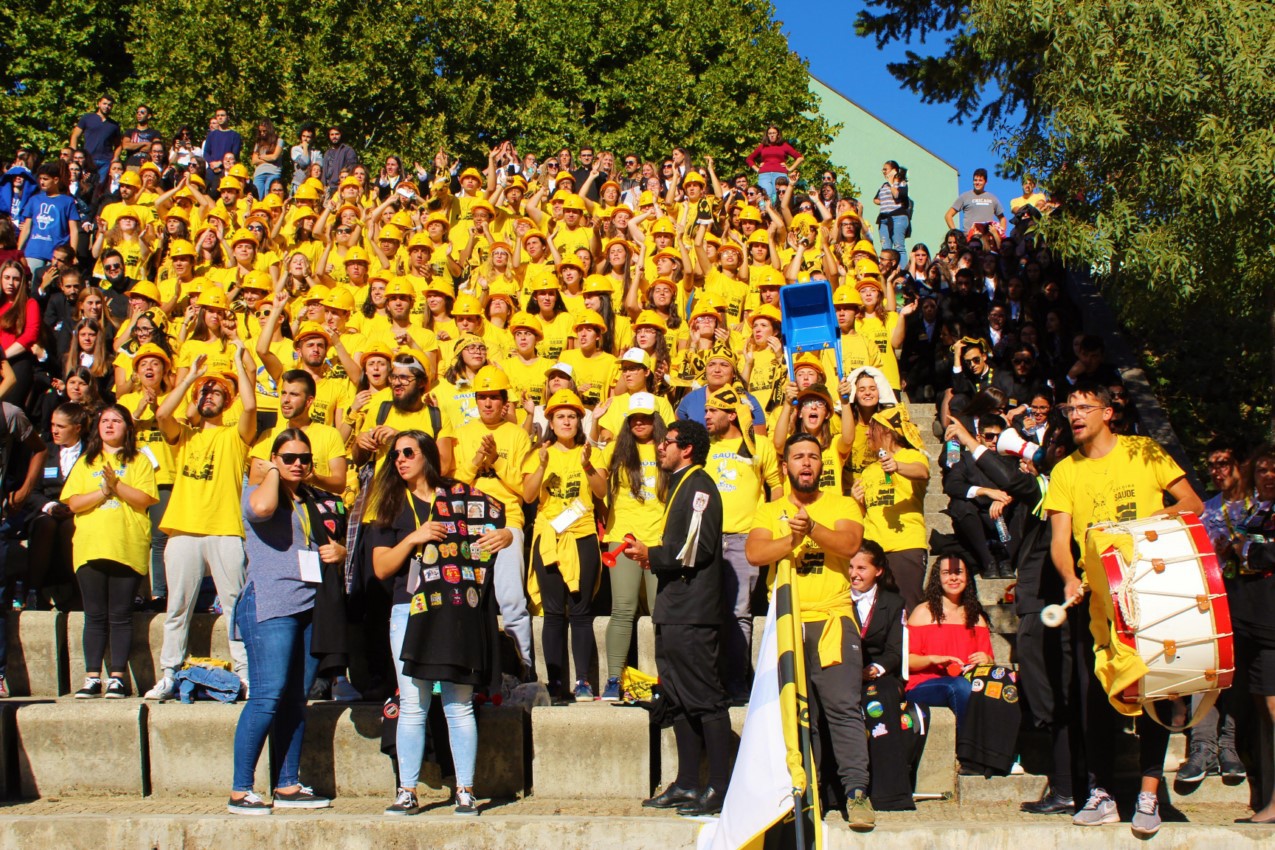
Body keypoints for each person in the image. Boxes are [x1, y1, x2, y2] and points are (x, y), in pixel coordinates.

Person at [1044, 380, 1203, 837]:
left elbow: (1190, 503)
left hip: (1152, 594)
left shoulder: (1144, 452)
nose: (1073, 415)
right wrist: (1071, 578)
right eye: (1068, 408)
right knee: (1097, 697)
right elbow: (1060, 540)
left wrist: (1148, 528)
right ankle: (1101, 794)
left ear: (1108, 412)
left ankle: (1150, 795)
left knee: (1156, 692)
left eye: (1082, 407)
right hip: (1096, 601)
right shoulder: (1064, 472)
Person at [367, 430, 513, 817]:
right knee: (412, 705)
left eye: (408, 452)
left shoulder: (458, 494)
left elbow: (501, 519)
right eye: (395, 454)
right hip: (407, 610)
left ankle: (465, 790)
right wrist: (414, 537)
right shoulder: (390, 503)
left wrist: (507, 535)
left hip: (454, 610)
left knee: (458, 704)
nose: (400, 459)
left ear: (427, 455)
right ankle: (407, 790)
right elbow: (381, 567)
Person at [746, 432, 875, 829]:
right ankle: (808, 796)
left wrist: (812, 527)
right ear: (785, 466)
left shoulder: (842, 504)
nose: (806, 463)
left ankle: (857, 794)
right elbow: (755, 553)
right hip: (787, 625)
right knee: (800, 714)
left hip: (834, 621)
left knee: (842, 709)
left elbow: (850, 543)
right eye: (798, 457)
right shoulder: (769, 510)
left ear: (822, 465)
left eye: (813, 457)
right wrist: (794, 537)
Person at [228, 429, 347, 815]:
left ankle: (287, 784)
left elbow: (328, 537)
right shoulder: (259, 491)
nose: (298, 463)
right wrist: (271, 472)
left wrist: (339, 551)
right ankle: (240, 789)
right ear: (274, 458)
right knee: (267, 694)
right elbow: (261, 511)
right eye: (288, 457)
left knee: (296, 698)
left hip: (309, 605)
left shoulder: (313, 499)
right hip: (270, 603)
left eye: (304, 458)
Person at [146, 348, 258, 699]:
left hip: (224, 529)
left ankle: (246, 674)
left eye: (218, 392)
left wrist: (238, 367)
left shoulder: (234, 436)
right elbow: (163, 412)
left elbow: (252, 407)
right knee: (177, 607)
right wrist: (191, 379)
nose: (210, 396)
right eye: (204, 394)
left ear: (228, 401)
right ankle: (169, 673)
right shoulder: (185, 435)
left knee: (235, 607)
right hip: (183, 529)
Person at [632, 419, 731, 817]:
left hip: (693, 611)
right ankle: (689, 783)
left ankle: (720, 788)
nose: (660, 448)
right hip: (675, 609)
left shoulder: (700, 485)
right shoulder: (681, 484)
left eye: (667, 442)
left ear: (687, 448)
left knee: (705, 698)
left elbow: (697, 548)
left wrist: (650, 555)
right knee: (678, 697)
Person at [63, 405, 158, 698]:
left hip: (126, 545)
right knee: (94, 615)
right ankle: (92, 677)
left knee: (120, 615)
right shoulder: (87, 462)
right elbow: (74, 503)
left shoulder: (139, 460)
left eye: (116, 420)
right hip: (91, 546)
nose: (109, 424)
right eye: (105, 420)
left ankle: (117, 677)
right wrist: (104, 492)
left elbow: (144, 499)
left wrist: (116, 486)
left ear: (127, 428)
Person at [450, 365, 535, 676]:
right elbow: (454, 487)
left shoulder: (517, 436)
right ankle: (470, 668)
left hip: (507, 522)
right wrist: (477, 461)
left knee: (512, 600)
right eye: (482, 397)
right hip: (468, 523)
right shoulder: (462, 434)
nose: (487, 403)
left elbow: (525, 492)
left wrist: (496, 460)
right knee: (467, 601)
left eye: (494, 397)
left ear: (504, 402)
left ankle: (525, 665)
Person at [523, 390, 602, 702]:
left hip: (582, 536)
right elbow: (529, 497)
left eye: (572, 416)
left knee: (581, 612)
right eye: (560, 416)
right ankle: (556, 683)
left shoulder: (590, 451)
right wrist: (541, 466)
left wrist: (587, 467)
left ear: (579, 421)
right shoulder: (538, 454)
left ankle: (583, 681)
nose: (566, 421)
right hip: (549, 539)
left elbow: (601, 490)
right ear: (551, 422)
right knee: (554, 613)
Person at [704, 385, 780, 703]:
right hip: (708, 540)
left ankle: (735, 683)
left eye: (713, 411)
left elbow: (775, 488)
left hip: (744, 538)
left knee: (739, 613)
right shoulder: (702, 447)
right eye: (705, 411)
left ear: (731, 414)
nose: (706, 416)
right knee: (708, 611)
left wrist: (770, 527)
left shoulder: (759, 445)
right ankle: (710, 682)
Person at [1229, 444, 1275, 823]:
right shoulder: (1250, 511)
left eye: (1274, 470)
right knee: (1255, 712)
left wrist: (1249, 552)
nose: (1269, 475)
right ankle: (1262, 794)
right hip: (1248, 620)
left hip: (1272, 625)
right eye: (1262, 470)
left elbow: (1263, 556)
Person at [850, 540, 913, 811]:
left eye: (862, 567)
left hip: (879, 672)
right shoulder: (837, 599)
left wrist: (875, 669)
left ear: (877, 571)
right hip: (844, 670)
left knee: (883, 697)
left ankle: (890, 792)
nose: (854, 573)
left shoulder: (893, 602)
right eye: (850, 567)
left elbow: (895, 649)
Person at [905, 540, 993, 729]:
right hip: (925, 684)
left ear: (967, 577)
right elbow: (907, 661)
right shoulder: (922, 613)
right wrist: (933, 659)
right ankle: (968, 749)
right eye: (947, 573)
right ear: (938, 578)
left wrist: (985, 658)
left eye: (958, 572)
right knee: (959, 686)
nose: (953, 578)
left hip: (967, 682)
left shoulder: (976, 617)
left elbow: (990, 661)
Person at [852, 407, 930, 610]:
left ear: (887, 431)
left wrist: (898, 466)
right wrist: (857, 502)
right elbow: (868, 511)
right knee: (876, 611)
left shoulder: (911, 456)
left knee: (908, 607)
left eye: (872, 428)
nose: (867, 433)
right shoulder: (869, 470)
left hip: (904, 546)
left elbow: (922, 472)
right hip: (873, 551)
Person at [70, 97, 122, 183]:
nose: (106, 106)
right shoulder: (87, 118)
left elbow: (119, 145)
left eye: (109, 105)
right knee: (85, 184)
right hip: (88, 159)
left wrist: (115, 158)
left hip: (105, 161)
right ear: (99, 104)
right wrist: (74, 153)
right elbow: (75, 135)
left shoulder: (114, 125)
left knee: (100, 186)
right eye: (104, 104)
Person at [945, 168, 1006, 239]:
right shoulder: (965, 196)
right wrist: (956, 234)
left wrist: (1000, 235)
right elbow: (948, 215)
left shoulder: (992, 198)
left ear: (985, 182)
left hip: (987, 239)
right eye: (975, 180)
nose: (977, 183)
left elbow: (1002, 219)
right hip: (969, 238)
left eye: (980, 180)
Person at [745, 126, 802, 204]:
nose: (772, 135)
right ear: (767, 135)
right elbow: (749, 159)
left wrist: (790, 168)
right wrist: (757, 169)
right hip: (764, 175)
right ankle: (765, 214)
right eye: (770, 133)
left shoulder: (784, 145)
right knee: (764, 196)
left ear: (778, 134)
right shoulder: (763, 146)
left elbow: (800, 157)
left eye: (774, 133)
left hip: (780, 174)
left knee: (780, 196)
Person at [873, 161, 909, 254]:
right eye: (883, 169)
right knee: (885, 248)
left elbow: (897, 195)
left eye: (886, 169)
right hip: (884, 218)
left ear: (894, 170)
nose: (883, 171)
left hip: (897, 217)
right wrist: (884, 202)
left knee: (898, 247)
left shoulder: (901, 183)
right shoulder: (884, 185)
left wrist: (891, 182)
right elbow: (875, 199)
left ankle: (901, 268)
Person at [321, 127, 358, 193]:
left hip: (341, 186)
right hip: (327, 188)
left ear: (341, 135)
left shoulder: (348, 150)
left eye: (336, 134)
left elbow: (352, 168)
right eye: (332, 134)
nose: (334, 136)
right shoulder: (327, 153)